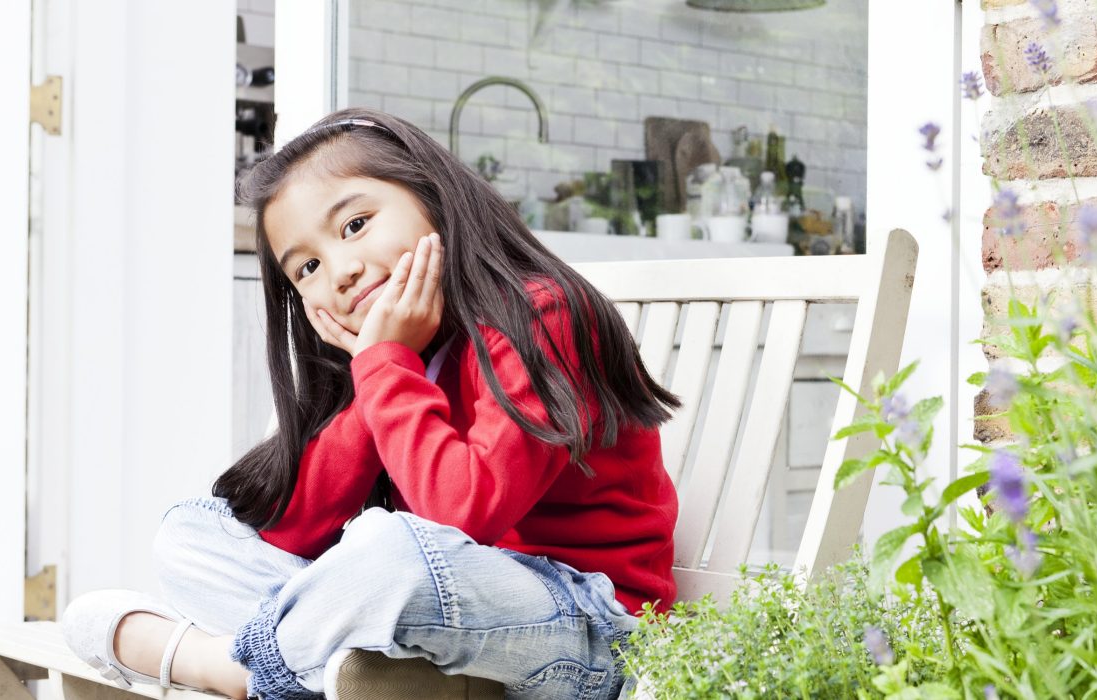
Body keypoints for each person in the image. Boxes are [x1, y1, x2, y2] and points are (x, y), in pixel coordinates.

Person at [61, 108, 681, 700]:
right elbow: (293, 529)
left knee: (391, 552)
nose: (341, 270)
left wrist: (386, 367)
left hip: (591, 627)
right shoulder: (395, 359)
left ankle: (236, 666)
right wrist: (377, 368)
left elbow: (462, 517)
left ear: (431, 194)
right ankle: (331, 662)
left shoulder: (542, 314)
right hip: (448, 615)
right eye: (307, 267)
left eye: (355, 225)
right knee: (191, 532)